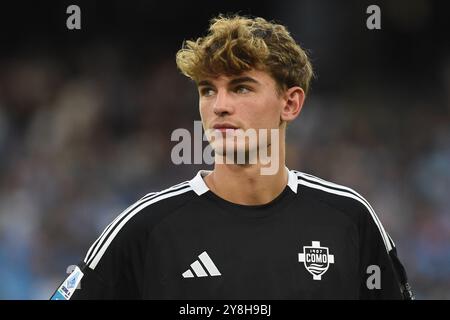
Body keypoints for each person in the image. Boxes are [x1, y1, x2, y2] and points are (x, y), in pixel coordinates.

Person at [51, 14, 413, 300]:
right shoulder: (146, 228)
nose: (219, 106)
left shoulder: (350, 220)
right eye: (208, 90)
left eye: (241, 87)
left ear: (290, 103)